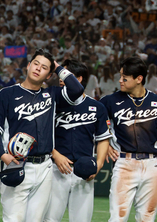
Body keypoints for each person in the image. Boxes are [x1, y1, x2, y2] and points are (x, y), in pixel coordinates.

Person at [0, 49, 84, 222]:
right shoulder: (7, 94)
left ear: (48, 75)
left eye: (44, 67)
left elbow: (77, 89)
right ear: (28, 65)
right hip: (16, 164)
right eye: (36, 64)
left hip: (44, 167)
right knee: (13, 219)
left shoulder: (52, 95)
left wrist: (58, 67)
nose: (38, 68)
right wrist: (2, 154)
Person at [101, 56, 157, 222]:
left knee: (147, 218)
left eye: (124, 77)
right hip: (124, 163)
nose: (120, 80)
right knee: (117, 218)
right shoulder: (110, 101)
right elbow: (94, 124)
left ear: (139, 79)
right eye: (120, 76)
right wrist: (104, 145)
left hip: (151, 165)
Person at [45, 59, 112, 222]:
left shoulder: (96, 107)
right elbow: (42, 134)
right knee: (49, 219)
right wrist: (55, 155)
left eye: (66, 74)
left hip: (83, 172)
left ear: (79, 79)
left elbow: (103, 139)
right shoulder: (52, 102)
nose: (61, 78)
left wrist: (99, 164)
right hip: (56, 169)